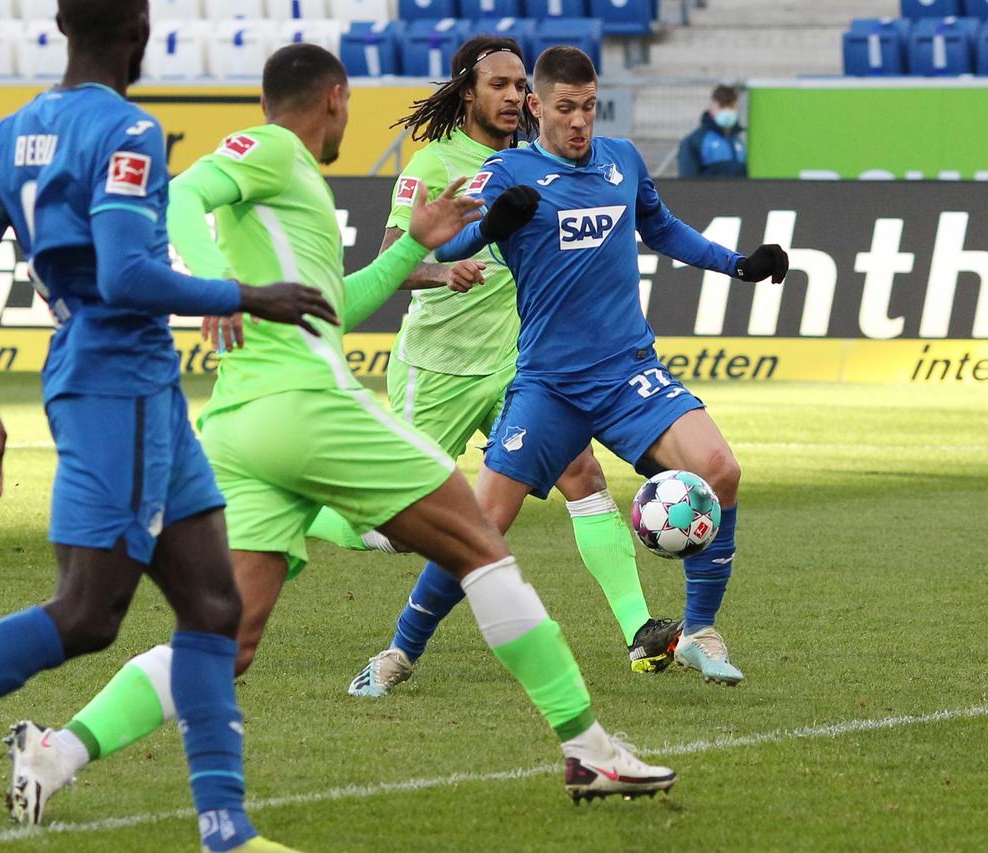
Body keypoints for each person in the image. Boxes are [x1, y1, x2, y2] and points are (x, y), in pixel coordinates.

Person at [2, 42, 676, 830]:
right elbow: (182, 194)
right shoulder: (276, 151)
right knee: (482, 547)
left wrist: (415, 242)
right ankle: (589, 746)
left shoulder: (297, 203)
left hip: (241, 428)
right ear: (333, 97)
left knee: (229, 640)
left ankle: (57, 751)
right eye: (347, 105)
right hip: (307, 410)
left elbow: (336, 306)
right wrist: (221, 284)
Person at [0, 3, 336, 852]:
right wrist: (248, 293)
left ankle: (227, 830)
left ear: (61, 23)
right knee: (88, 611)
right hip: (117, 381)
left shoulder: (6, 135)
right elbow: (127, 274)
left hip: (129, 385)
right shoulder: (128, 130)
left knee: (211, 602)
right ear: (139, 31)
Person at [297, 36, 680, 699]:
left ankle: (639, 628)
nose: (510, 98)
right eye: (496, 85)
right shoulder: (437, 164)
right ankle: (301, 508)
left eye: (516, 86)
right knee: (400, 531)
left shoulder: (542, 160)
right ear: (468, 92)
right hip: (439, 369)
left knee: (582, 472)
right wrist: (444, 268)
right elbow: (394, 259)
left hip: (519, 366)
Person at [429, 46, 788, 688]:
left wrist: (739, 265)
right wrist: (489, 229)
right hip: (551, 385)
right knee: (482, 528)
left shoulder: (621, 160)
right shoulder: (506, 169)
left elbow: (663, 228)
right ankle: (399, 651)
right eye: (565, 108)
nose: (579, 121)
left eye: (589, 107)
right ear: (537, 107)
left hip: (628, 373)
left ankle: (700, 635)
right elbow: (447, 244)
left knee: (721, 471)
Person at [677, 84, 747, 178]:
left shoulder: (738, 142)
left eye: (730, 107)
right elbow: (687, 182)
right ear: (712, 107)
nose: (727, 111)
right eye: (722, 106)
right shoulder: (695, 141)